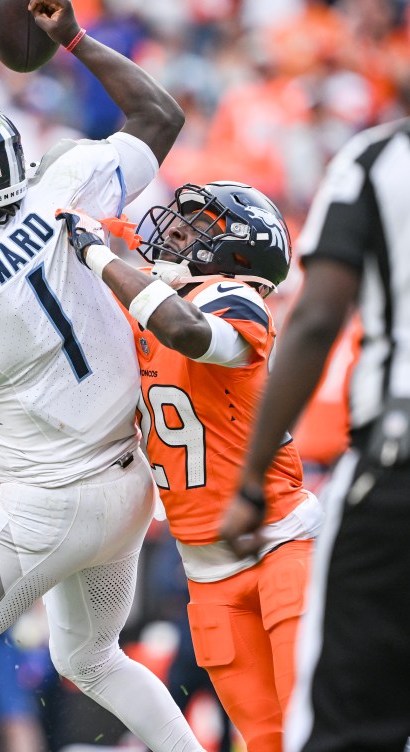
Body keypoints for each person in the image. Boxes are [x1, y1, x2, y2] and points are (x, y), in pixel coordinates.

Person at [0, 0, 211, 752]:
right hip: (130, 487)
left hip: (47, 509)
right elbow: (158, 116)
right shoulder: (68, 180)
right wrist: (78, 41)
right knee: (92, 658)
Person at [56, 180, 323, 752]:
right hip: (205, 572)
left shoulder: (234, 297)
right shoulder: (141, 311)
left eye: (200, 223)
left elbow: (188, 332)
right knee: (265, 739)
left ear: (242, 251)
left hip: (282, 544)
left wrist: (99, 255)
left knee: (316, 726)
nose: (176, 229)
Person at [220, 116, 410, 752]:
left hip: (393, 465)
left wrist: (248, 483)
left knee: (343, 725)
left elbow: (316, 318)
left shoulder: (377, 161)